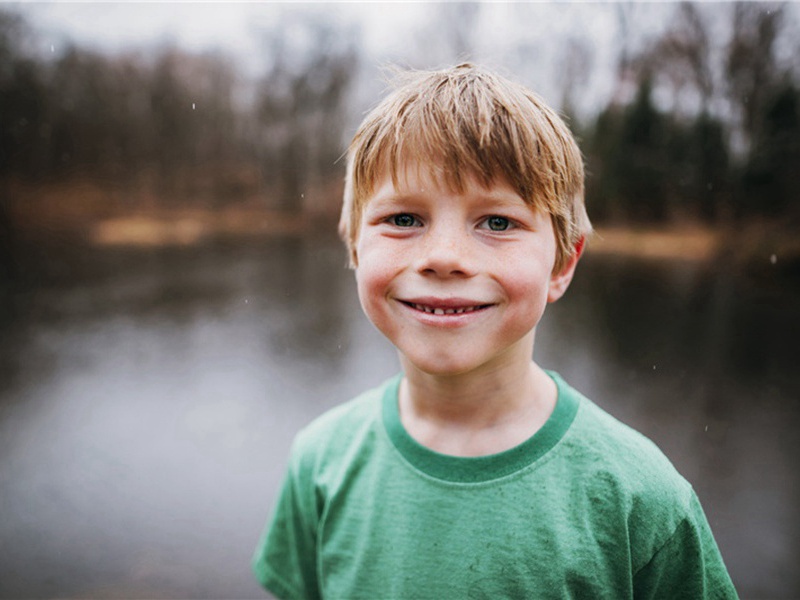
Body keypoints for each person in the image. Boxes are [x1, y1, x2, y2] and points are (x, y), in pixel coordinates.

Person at [252, 63, 737, 599]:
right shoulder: (321, 462)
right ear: (354, 248)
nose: (444, 257)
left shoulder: (639, 499)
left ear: (562, 265)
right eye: (404, 219)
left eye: (498, 223)